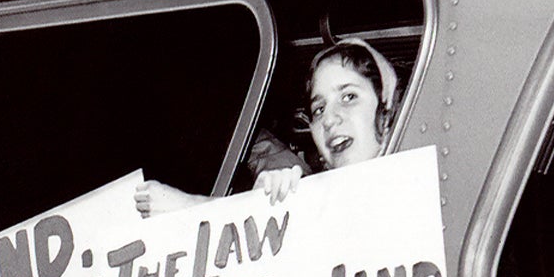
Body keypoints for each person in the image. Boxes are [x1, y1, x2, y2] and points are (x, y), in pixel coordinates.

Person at [133, 36, 401, 218]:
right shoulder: (314, 195)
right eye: (319, 109)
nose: (329, 119)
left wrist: (188, 208)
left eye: (349, 97)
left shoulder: (414, 190)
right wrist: (264, 207)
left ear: (386, 108)